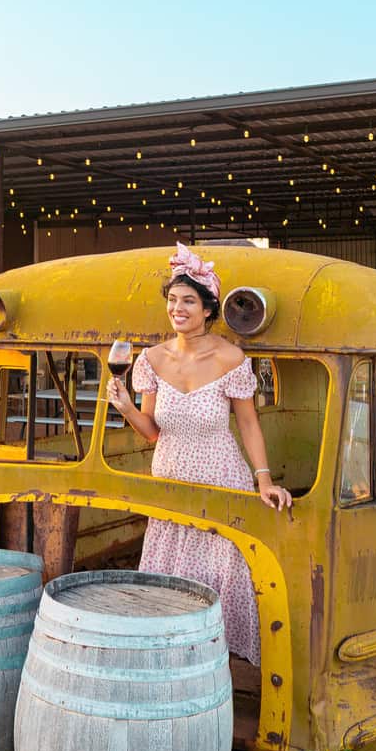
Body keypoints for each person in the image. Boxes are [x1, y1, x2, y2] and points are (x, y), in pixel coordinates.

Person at [107, 242, 291, 666]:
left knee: (221, 579)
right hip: (171, 484)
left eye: (188, 300)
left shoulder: (231, 358)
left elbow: (247, 424)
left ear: (208, 309)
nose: (178, 308)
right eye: (172, 300)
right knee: (171, 582)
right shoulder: (150, 359)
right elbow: (152, 432)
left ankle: (217, 666)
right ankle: (169, 662)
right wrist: (126, 407)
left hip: (222, 480)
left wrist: (263, 480)